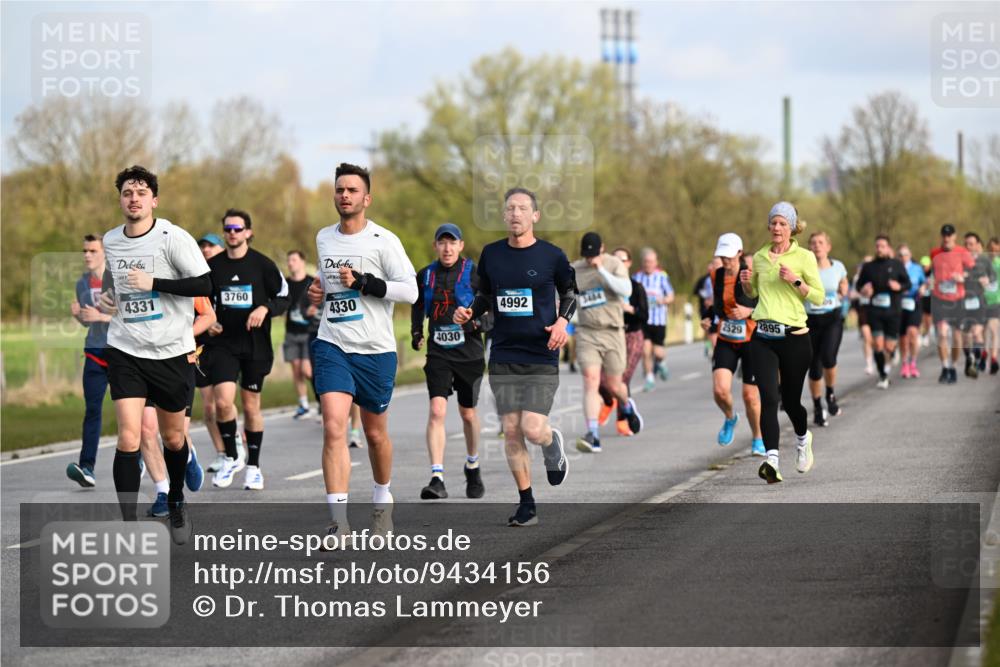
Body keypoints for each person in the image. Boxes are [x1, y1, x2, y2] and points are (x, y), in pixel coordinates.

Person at [97, 165, 212, 544]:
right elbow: (114, 280)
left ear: (154, 200)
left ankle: (176, 499)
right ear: (120, 200)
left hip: (170, 353)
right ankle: (129, 529)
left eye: (141, 192)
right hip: (126, 348)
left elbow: (205, 283)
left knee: (174, 438)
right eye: (128, 192)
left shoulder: (172, 238)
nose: (134, 198)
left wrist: (154, 283)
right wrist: (108, 297)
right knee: (129, 436)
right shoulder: (111, 240)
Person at [307, 163, 417, 547]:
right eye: (339, 189)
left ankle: (382, 499)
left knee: (374, 434)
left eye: (352, 190)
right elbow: (328, 282)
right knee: (334, 425)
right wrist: (318, 291)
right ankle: (338, 522)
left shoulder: (384, 241)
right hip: (332, 342)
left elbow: (410, 291)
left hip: (375, 349)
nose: (345, 195)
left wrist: (368, 283)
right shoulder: (324, 238)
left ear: (366, 198)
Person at [453, 186, 573, 527]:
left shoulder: (552, 256)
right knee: (511, 430)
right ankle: (526, 502)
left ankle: (551, 444)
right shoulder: (492, 255)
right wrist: (469, 313)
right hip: (503, 352)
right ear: (504, 216)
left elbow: (570, 291)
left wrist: (563, 321)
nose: (515, 213)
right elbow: (484, 296)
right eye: (510, 209)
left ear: (534, 215)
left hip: (541, 352)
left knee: (533, 429)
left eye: (522, 208)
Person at [205, 208, 289, 491]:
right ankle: (231, 456)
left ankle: (253, 466)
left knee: (252, 406)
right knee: (222, 402)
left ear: (248, 233)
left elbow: (284, 297)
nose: (232, 233)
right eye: (228, 229)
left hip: (255, 344)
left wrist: (265, 308)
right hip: (223, 343)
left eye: (237, 229)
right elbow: (200, 301)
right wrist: (208, 321)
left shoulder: (263, 265)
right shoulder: (212, 267)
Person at [741, 202, 824, 484]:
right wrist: (745, 284)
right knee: (769, 398)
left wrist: (796, 281)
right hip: (763, 337)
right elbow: (754, 292)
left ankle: (803, 439)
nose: (777, 228)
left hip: (795, 339)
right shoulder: (761, 257)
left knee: (790, 401)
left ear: (791, 227)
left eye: (782, 224)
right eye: (773, 223)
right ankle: (772, 460)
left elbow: (819, 297)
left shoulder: (804, 257)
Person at [411, 222, 486, 499]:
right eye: (442, 242)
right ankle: (437, 477)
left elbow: (489, 305)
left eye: (452, 242)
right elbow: (417, 305)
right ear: (435, 246)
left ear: (461, 245)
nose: (447, 248)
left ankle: (473, 463)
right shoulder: (426, 275)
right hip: (438, 351)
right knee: (437, 411)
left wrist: (477, 322)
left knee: (467, 413)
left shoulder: (474, 273)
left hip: (469, 352)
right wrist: (416, 331)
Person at [571, 232, 642, 454]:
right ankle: (593, 434)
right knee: (591, 381)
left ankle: (627, 406)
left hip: (612, 332)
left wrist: (601, 270)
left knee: (614, 386)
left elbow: (626, 290)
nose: (590, 259)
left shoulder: (613, 264)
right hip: (587, 333)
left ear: (602, 249)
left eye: (594, 254)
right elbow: (566, 296)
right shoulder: (575, 269)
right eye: (587, 256)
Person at [702, 233, 764, 455]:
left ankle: (757, 438)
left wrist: (749, 311)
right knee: (720, 391)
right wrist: (708, 317)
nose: (726, 261)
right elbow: (719, 304)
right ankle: (730, 418)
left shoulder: (752, 274)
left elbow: (768, 303)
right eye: (722, 256)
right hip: (726, 338)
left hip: (751, 340)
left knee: (750, 396)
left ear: (739, 253)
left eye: (729, 256)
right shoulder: (715, 275)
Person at [67, 234, 113, 488]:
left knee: (130, 414)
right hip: (95, 352)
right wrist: (79, 317)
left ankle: (138, 457)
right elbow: (89, 320)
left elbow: (131, 319)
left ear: (104, 252)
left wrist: (101, 317)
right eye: (85, 251)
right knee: (92, 411)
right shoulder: (82, 283)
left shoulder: (118, 280)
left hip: (121, 355)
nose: (87, 255)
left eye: (93, 250)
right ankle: (87, 468)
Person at [597, 246, 648, 436]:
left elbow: (644, 315)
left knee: (621, 380)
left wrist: (629, 309)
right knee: (600, 380)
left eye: (622, 260)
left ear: (629, 263)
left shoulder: (636, 287)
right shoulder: (604, 286)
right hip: (609, 335)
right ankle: (609, 401)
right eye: (614, 259)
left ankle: (623, 420)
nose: (618, 263)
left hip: (632, 335)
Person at [194, 233, 232, 473]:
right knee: (208, 407)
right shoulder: (196, 277)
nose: (206, 250)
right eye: (203, 246)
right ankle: (221, 451)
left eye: (211, 246)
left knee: (224, 403)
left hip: (226, 347)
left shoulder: (229, 275)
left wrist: (222, 323)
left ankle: (235, 441)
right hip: (200, 345)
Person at [805, 231, 849, 426]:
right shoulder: (804, 268)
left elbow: (843, 282)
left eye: (821, 242)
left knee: (829, 358)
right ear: (809, 247)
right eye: (813, 243)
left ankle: (830, 393)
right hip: (810, 321)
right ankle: (816, 406)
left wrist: (844, 289)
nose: (817, 246)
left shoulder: (838, 266)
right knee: (814, 367)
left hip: (832, 319)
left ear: (828, 246)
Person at [856, 236, 910, 390]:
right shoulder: (869, 266)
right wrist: (864, 290)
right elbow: (859, 285)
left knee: (889, 346)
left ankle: (893, 352)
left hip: (893, 310)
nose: (880, 248)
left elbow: (908, 283)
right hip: (875, 310)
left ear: (888, 248)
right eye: (877, 246)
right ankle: (882, 375)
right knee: (878, 344)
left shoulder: (897, 264)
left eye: (883, 246)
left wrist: (898, 287)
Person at [930, 224, 975, 384]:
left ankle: (954, 367)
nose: (946, 238)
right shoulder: (934, 252)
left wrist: (964, 276)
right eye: (944, 235)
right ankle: (945, 367)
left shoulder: (963, 252)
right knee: (942, 333)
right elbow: (931, 273)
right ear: (941, 236)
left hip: (957, 300)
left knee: (957, 337)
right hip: (940, 300)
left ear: (954, 236)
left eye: (949, 235)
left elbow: (974, 272)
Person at [634, 248, 674, 391]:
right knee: (645, 351)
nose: (648, 264)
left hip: (659, 320)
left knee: (658, 352)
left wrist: (663, 300)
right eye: (646, 262)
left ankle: (661, 362)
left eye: (651, 262)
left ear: (656, 262)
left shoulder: (662, 276)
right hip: (643, 320)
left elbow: (671, 296)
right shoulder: (636, 277)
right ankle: (649, 378)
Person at [284, 249, 317, 418]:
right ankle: (303, 405)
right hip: (291, 332)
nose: (291, 263)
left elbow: (322, 302)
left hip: (309, 332)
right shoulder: (285, 283)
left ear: (303, 262)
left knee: (308, 371)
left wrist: (314, 309)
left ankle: (321, 400)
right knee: (297, 370)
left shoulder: (312, 282)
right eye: (289, 261)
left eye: (294, 260)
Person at [960, 232, 996, 378]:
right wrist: (958, 276)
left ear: (977, 245)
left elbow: (993, 276)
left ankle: (974, 360)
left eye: (971, 244)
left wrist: (988, 279)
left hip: (979, 301)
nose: (968, 247)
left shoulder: (984, 260)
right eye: (966, 244)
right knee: (965, 337)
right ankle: (970, 358)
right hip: (962, 303)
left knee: (977, 333)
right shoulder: (959, 260)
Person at [897, 244, 927, 378]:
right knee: (903, 338)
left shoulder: (917, 268)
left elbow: (924, 283)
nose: (903, 257)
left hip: (914, 303)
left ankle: (913, 362)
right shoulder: (895, 268)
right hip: (899, 305)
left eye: (906, 254)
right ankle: (904, 363)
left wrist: (922, 288)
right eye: (901, 255)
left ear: (910, 255)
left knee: (913, 333)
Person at [694, 259, 721, 356]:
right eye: (713, 265)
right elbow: (697, 292)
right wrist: (706, 298)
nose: (713, 267)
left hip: (727, 316)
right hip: (709, 310)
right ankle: (709, 345)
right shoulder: (705, 280)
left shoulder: (733, 277)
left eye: (716, 265)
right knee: (709, 329)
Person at [985, 237, 1000, 375]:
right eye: (991, 250)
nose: (993, 252)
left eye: (996, 250)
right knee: (985, 331)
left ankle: (993, 358)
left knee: (994, 329)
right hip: (982, 301)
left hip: (996, 301)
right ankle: (985, 353)